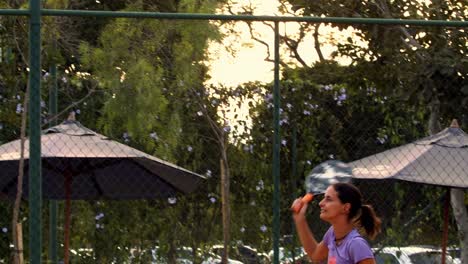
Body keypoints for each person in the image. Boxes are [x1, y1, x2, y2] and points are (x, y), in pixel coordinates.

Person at [291, 182, 381, 264]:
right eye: (324, 198)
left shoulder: (356, 244)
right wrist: (300, 220)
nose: (320, 203)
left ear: (346, 208)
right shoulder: (332, 234)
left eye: (328, 199)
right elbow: (315, 256)